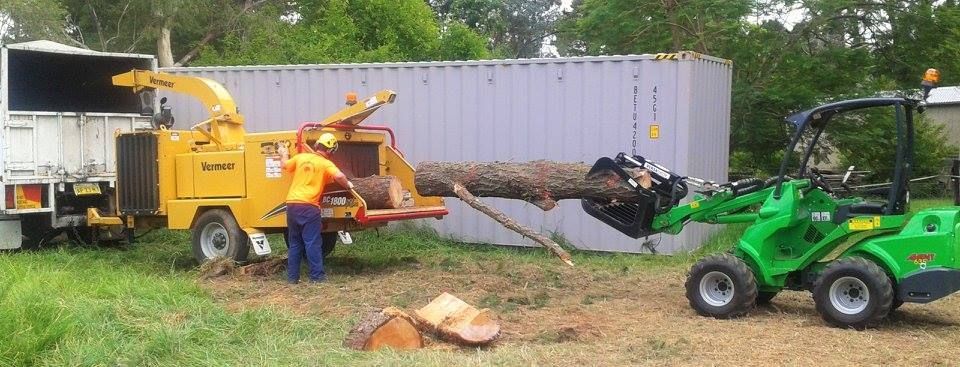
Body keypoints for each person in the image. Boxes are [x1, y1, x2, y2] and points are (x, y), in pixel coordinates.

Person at [277, 133, 354, 284]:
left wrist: (283, 154)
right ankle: (317, 277)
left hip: (292, 204)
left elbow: (285, 165)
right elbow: (338, 176)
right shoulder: (325, 164)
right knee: (312, 242)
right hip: (309, 207)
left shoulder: (301, 157)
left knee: (295, 243)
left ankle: (292, 278)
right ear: (331, 151)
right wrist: (349, 185)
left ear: (317, 145)